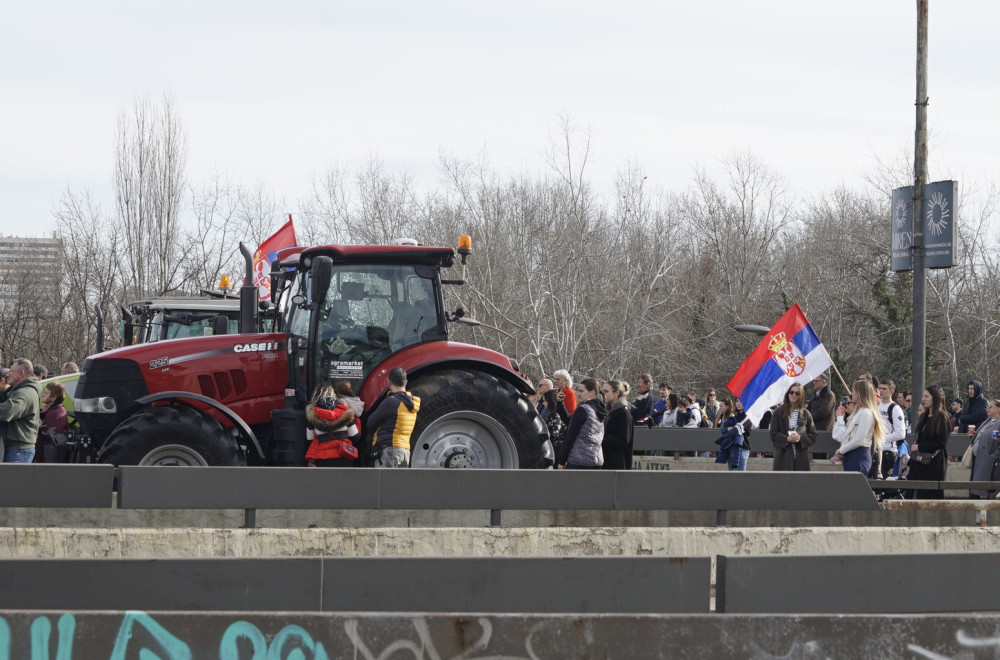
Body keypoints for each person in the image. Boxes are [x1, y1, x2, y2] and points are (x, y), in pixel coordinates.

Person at [367, 367, 420, 468]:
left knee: (385, 483)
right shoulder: (412, 403)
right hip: (405, 452)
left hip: (390, 451)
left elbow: (370, 423)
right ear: (406, 382)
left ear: (390, 383)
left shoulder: (391, 401)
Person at [832, 380, 885, 476]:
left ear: (859, 393)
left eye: (853, 391)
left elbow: (859, 440)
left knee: (855, 488)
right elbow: (847, 436)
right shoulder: (858, 412)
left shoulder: (867, 413)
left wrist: (841, 450)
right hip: (851, 455)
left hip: (859, 455)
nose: (852, 394)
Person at [907, 385, 951, 499]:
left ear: (935, 398)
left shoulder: (942, 418)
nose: (923, 399)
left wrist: (920, 447)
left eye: (926, 396)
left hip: (932, 465)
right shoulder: (924, 417)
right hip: (918, 463)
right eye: (923, 396)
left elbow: (941, 443)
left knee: (928, 496)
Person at [305, 381, 361, 467]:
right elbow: (355, 437)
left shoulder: (313, 416)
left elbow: (309, 440)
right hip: (344, 457)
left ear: (316, 395)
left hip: (323, 460)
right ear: (333, 395)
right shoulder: (345, 412)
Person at [557, 377, 607, 469]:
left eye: (581, 391)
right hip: (597, 460)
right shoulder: (599, 409)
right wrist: (560, 404)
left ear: (592, 392)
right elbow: (570, 421)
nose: (578, 394)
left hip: (579, 460)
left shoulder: (583, 409)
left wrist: (562, 460)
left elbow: (571, 435)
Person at [0, 359, 43, 463]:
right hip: (16, 448)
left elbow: (7, 411)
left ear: (21, 373)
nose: (8, 374)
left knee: (14, 479)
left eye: (11, 371)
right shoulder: (21, 390)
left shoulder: (25, 393)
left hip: (18, 451)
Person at [769, 383, 817, 471]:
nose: (794, 395)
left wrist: (801, 439)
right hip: (783, 458)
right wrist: (787, 439)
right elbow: (773, 434)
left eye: (797, 393)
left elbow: (813, 435)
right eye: (791, 392)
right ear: (788, 394)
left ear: (801, 396)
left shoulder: (806, 413)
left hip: (801, 458)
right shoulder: (778, 412)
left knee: (800, 483)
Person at [968, 399, 1000, 499]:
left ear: (998, 409)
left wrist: (993, 457)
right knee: (973, 491)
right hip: (977, 460)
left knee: (987, 492)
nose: (987, 409)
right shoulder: (987, 421)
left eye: (990, 407)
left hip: (989, 463)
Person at [876, 380, 907, 478]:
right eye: (880, 388)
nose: (881, 391)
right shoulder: (877, 406)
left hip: (888, 452)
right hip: (876, 450)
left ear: (891, 391)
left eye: (884, 389)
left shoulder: (895, 409)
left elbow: (901, 433)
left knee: (886, 484)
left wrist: (881, 440)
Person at [33, 381, 70, 463]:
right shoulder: (55, 410)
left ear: (54, 398)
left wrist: (40, 427)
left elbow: (48, 441)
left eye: (46, 393)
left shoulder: (55, 414)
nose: (43, 395)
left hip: (46, 459)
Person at [601, 380, 633, 470]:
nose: (603, 394)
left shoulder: (623, 413)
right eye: (603, 391)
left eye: (606, 391)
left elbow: (623, 441)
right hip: (605, 461)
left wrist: (602, 437)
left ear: (616, 393)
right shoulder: (606, 411)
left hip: (618, 464)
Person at [715, 395, 751, 471]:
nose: (739, 403)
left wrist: (726, 432)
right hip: (731, 447)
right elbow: (722, 429)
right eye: (737, 401)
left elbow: (736, 431)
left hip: (742, 448)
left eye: (741, 401)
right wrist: (727, 428)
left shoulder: (748, 416)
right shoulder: (736, 416)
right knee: (731, 476)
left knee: (739, 478)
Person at [539, 388, 566, 457]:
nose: (543, 403)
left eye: (545, 401)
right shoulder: (548, 413)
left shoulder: (556, 415)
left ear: (550, 401)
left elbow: (554, 434)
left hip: (555, 450)